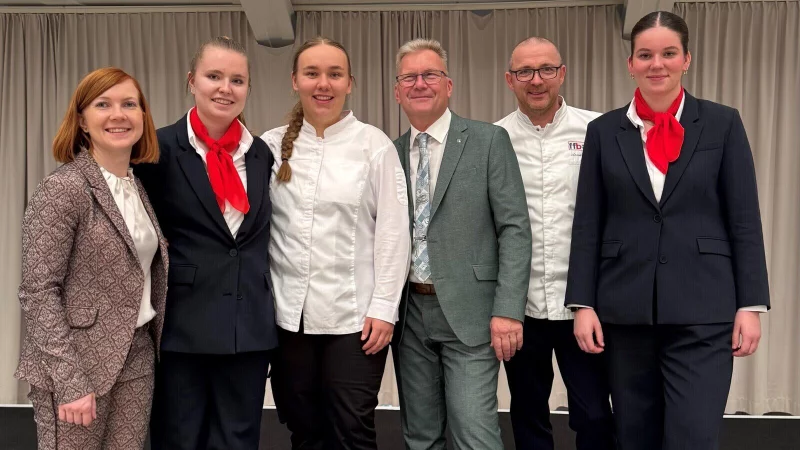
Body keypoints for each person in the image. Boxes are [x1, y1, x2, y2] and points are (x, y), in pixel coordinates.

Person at [566, 11, 770, 450]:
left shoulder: (722, 123)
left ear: (686, 59)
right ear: (631, 63)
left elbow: (744, 221)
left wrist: (751, 304)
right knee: (634, 436)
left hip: (704, 310)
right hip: (624, 311)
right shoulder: (602, 132)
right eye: (645, 54)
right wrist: (582, 303)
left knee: (692, 437)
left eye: (668, 53)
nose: (656, 64)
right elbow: (588, 223)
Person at [261, 36, 411, 450]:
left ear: (350, 83)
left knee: (351, 428)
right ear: (295, 80)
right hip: (288, 318)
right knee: (302, 427)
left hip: (356, 319)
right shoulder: (270, 146)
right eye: (312, 73)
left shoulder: (373, 145)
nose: (322, 83)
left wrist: (384, 308)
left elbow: (395, 234)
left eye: (334, 74)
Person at [135, 36, 277, 450]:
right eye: (214, 76)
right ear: (191, 81)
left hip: (247, 328)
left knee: (239, 440)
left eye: (237, 80)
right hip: (183, 327)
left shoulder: (261, 154)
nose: (225, 88)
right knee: (179, 439)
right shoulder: (155, 150)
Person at [15, 67, 167, 450]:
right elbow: (38, 292)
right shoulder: (63, 188)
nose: (119, 114)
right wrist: (70, 382)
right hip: (76, 364)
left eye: (129, 104)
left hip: (136, 356)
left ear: (143, 116)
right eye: (104, 104)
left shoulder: (136, 187)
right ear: (82, 120)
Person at [392, 38, 532, 450]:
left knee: (474, 434)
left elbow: (515, 228)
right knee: (420, 436)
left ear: (448, 85)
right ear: (397, 90)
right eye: (410, 77)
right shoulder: (389, 153)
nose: (420, 84)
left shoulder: (489, 141)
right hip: (410, 315)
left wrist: (508, 310)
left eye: (430, 74)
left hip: (472, 314)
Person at [495, 37, 615, 450]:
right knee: (527, 413)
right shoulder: (493, 139)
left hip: (582, 304)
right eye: (525, 72)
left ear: (562, 74)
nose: (536, 80)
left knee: (596, 415)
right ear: (510, 80)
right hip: (520, 305)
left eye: (547, 69)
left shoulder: (598, 130)